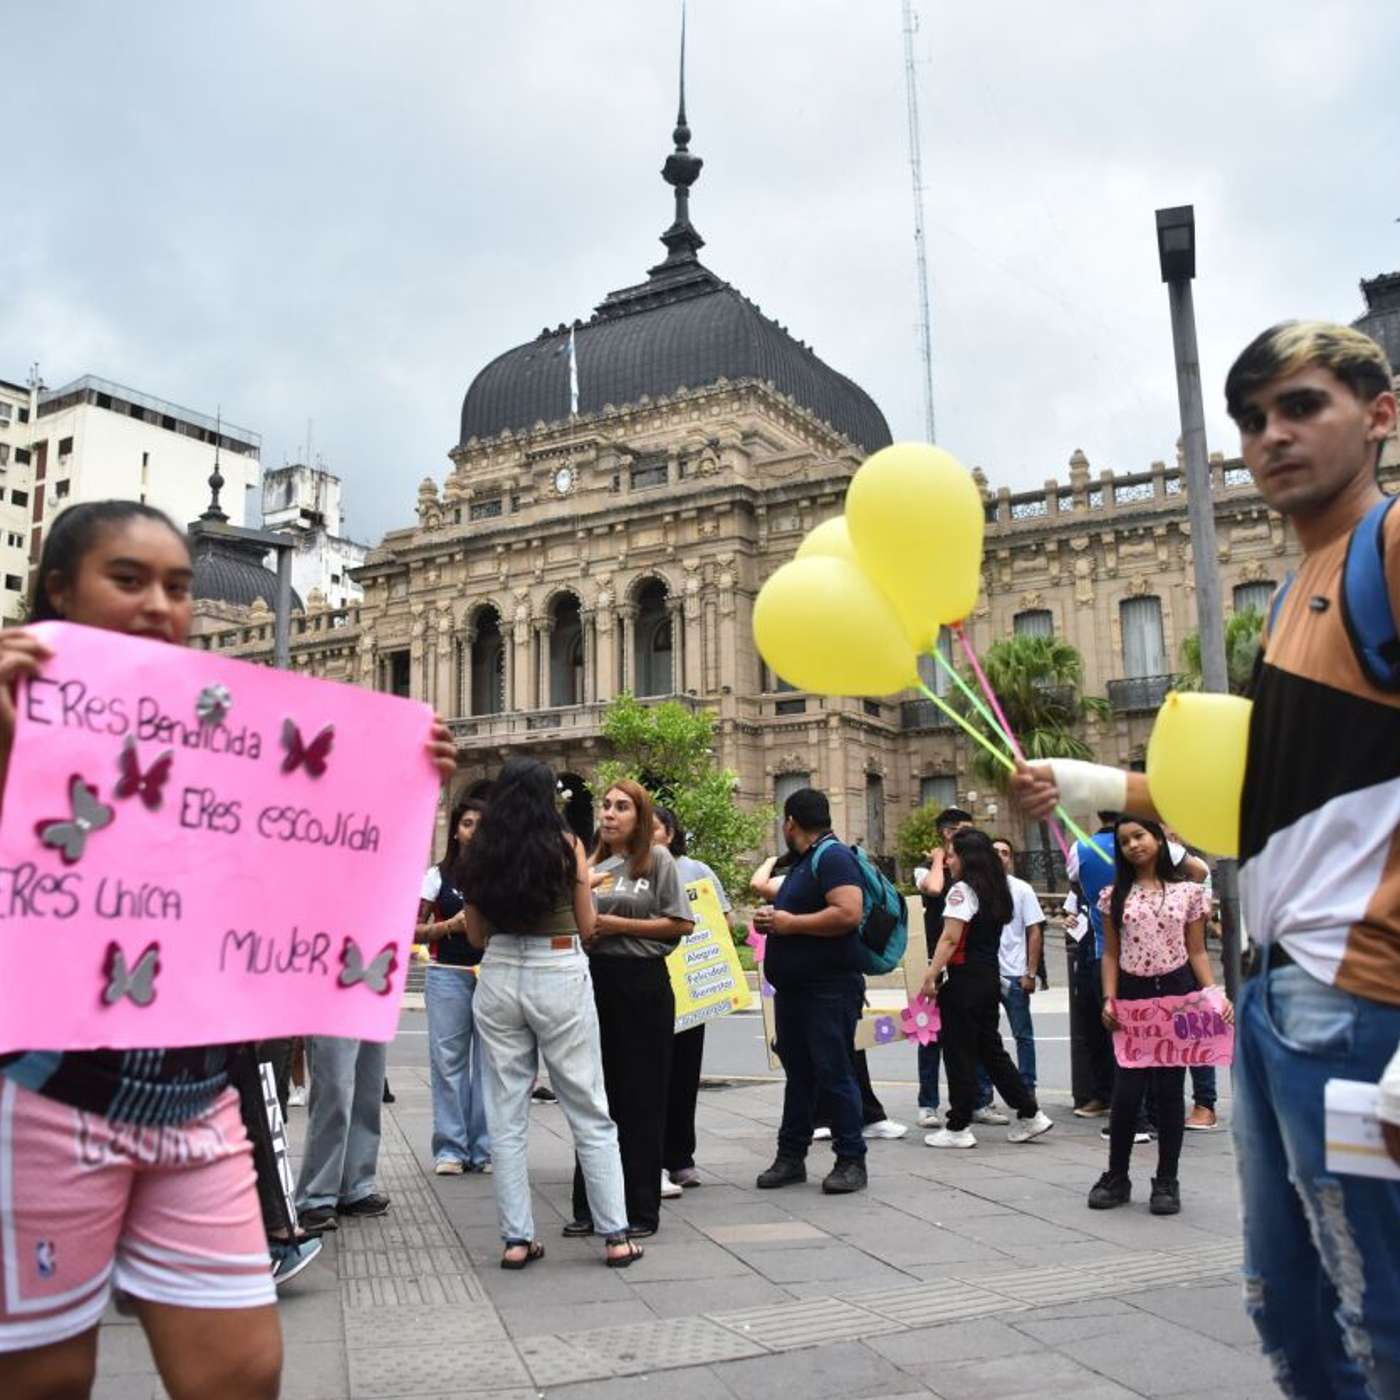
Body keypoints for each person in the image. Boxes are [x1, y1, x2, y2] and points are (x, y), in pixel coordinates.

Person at [1013, 320, 1400, 1395]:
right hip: (1279, 1002)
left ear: (1380, 414)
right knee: (1290, 1304)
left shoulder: (1387, 549)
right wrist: (1084, 781)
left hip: (1362, 999)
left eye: (1301, 406)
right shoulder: (1297, 591)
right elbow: (1252, 795)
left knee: (1381, 1303)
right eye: (1251, 418)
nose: (1271, 435)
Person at [0, 501, 456, 1398]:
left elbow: (284, 873)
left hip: (195, 1097)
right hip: (47, 1098)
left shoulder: (224, 739)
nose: (160, 603)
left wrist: (391, 781)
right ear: (59, 589)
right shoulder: (13, 711)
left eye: (177, 586)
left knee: (243, 1373)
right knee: (43, 1379)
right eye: (127, 579)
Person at [461, 758, 641, 1269]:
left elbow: (474, 936)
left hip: (498, 973)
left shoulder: (480, 850)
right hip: (558, 968)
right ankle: (616, 1235)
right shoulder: (567, 846)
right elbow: (587, 926)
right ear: (549, 798)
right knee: (588, 1106)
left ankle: (517, 1239)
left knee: (506, 1115)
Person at [567, 781, 693, 1239]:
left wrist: (617, 924)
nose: (609, 814)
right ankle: (590, 1206)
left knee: (641, 1097)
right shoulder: (589, 865)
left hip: (642, 983)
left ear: (640, 817)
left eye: (622, 807)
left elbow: (680, 924)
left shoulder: (656, 860)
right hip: (594, 980)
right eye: (605, 805)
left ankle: (641, 1207)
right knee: (595, 1096)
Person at [1087, 818, 1227, 1216]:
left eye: (1140, 836)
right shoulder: (1114, 896)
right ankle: (1116, 1176)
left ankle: (1166, 1179)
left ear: (1159, 840)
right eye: (1124, 841)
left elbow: (1196, 950)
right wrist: (1110, 998)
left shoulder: (1188, 893)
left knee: (1169, 1092)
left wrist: (1212, 993)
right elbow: (1110, 953)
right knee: (1126, 1093)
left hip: (1176, 993)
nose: (1133, 845)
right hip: (1133, 995)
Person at [753, 788, 869, 1196]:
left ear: (790, 823)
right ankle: (791, 1157)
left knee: (834, 1072)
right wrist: (776, 919)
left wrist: (789, 924)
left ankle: (851, 1159)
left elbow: (848, 913)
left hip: (828, 988)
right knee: (800, 1075)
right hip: (797, 989)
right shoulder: (806, 861)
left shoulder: (833, 857)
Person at [919, 829, 1053, 1149]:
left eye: (952, 855)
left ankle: (958, 1126)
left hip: (964, 979)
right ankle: (1030, 1112)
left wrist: (931, 975)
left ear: (967, 858)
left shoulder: (962, 891)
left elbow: (950, 938)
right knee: (990, 1050)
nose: (948, 862)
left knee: (959, 1052)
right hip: (989, 977)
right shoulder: (997, 889)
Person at [415, 798, 492, 1175]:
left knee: (491, 1064)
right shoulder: (437, 875)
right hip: (447, 973)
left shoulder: (502, 874)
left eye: (481, 824)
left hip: (493, 973)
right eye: (467, 823)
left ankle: (485, 1149)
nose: (473, 831)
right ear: (456, 832)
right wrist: (449, 926)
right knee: (448, 1063)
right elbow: (411, 928)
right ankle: (451, 1148)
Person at [653, 806, 727, 1193]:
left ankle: (681, 1157)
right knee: (651, 1076)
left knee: (684, 1075)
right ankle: (652, 1157)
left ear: (670, 832)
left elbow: (720, 920)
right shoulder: (630, 871)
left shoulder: (696, 871)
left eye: (654, 827)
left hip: (690, 989)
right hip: (649, 984)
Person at [972, 838, 1046, 1111]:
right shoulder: (976, 889)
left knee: (1023, 1035)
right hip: (986, 973)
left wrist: (1031, 972)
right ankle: (984, 1095)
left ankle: (1028, 1090)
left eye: (1005, 852)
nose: (1000, 856)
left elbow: (1034, 930)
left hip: (1015, 974)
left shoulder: (1022, 889)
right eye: (995, 852)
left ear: (1011, 859)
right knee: (984, 1036)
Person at [912, 807, 973, 1128]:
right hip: (932, 959)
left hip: (967, 960)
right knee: (928, 1035)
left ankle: (979, 1100)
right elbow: (934, 889)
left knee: (970, 1035)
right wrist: (938, 858)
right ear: (947, 832)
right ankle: (928, 1104)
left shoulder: (971, 867)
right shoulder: (926, 869)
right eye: (963, 829)